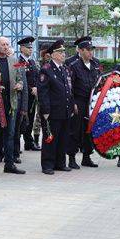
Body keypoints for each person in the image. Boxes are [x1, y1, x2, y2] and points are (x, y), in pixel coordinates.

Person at [0, 37, 26, 177]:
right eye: (3, 44)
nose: (6, 46)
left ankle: (9, 164)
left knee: (10, 135)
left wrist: (20, 85)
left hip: (11, 104)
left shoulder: (15, 61)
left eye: (7, 44)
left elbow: (20, 78)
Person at [38, 39, 74, 175]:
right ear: (53, 54)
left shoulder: (64, 69)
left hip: (64, 109)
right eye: (60, 52)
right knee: (50, 138)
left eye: (64, 52)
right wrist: (45, 110)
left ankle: (60, 163)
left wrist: (71, 106)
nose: (63, 54)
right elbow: (43, 92)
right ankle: (48, 164)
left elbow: (69, 89)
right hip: (52, 111)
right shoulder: (46, 70)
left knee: (63, 138)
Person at [67, 36, 102, 169]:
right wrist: (73, 103)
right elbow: (69, 87)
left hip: (92, 102)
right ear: (80, 51)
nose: (90, 52)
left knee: (89, 130)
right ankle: (71, 157)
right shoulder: (74, 66)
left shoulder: (96, 65)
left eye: (91, 49)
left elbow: (99, 82)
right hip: (79, 101)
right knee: (75, 130)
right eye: (88, 50)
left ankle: (87, 157)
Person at [17, 37, 40, 151]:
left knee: (30, 119)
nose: (30, 49)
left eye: (31, 47)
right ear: (21, 48)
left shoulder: (31, 62)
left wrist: (36, 87)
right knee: (22, 119)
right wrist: (31, 88)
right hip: (23, 96)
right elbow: (20, 78)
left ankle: (28, 142)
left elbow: (36, 76)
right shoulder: (18, 62)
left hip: (33, 95)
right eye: (28, 47)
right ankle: (19, 142)